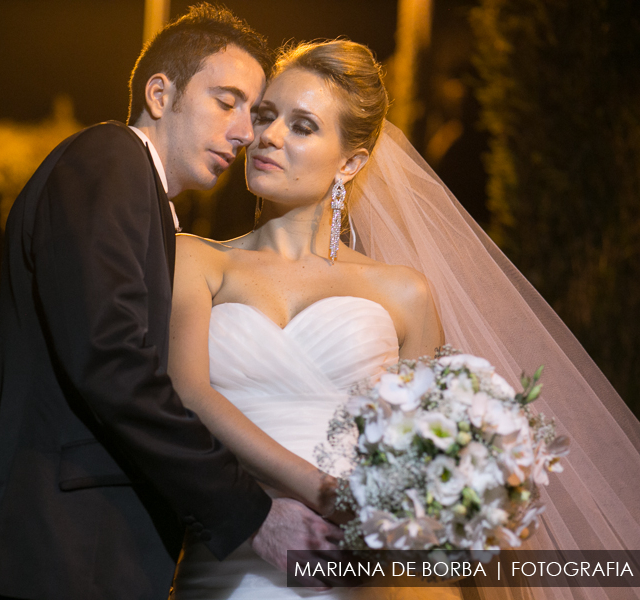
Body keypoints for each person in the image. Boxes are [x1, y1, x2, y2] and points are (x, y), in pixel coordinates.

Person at [167, 38, 640, 600]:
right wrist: (329, 494)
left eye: (302, 126)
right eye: (266, 115)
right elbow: (186, 395)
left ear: (351, 161)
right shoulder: (196, 259)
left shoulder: (403, 291)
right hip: (231, 558)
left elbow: (427, 456)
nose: (267, 135)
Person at [0, 6, 344, 600]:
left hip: (100, 561)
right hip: (59, 558)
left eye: (251, 111)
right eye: (227, 101)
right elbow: (111, 358)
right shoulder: (107, 158)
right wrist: (254, 515)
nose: (245, 133)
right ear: (160, 94)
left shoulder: (155, 208)